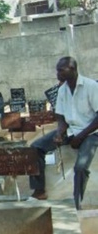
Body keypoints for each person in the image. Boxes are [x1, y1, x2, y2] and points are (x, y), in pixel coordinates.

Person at [29, 56, 98, 210]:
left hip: (91, 133)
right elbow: (61, 116)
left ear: (72, 69)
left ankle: (77, 202)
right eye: (57, 70)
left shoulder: (91, 86)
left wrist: (80, 137)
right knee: (35, 147)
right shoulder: (62, 89)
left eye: (61, 70)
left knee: (80, 168)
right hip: (70, 130)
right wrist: (60, 132)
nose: (57, 73)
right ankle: (39, 190)